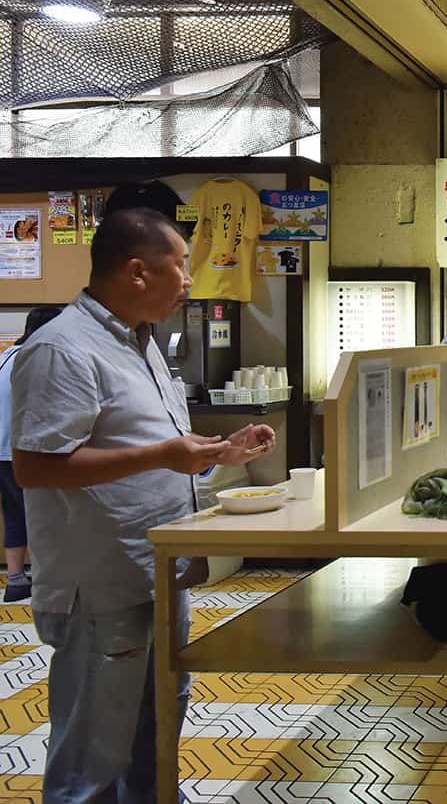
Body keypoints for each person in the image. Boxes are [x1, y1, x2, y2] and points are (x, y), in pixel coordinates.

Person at [10, 207, 275, 803]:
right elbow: (36, 465)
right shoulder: (63, 349)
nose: (188, 280)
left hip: (155, 575)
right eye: (179, 266)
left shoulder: (139, 342)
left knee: (155, 741)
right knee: (92, 761)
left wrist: (219, 453)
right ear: (136, 272)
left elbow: (146, 446)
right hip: (102, 587)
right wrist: (162, 455)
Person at [0, 305, 64, 602]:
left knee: (15, 515)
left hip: (3, 451)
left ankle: (15, 579)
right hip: (29, 452)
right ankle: (46, 579)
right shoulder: (41, 357)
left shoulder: (6, 357)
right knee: (46, 516)